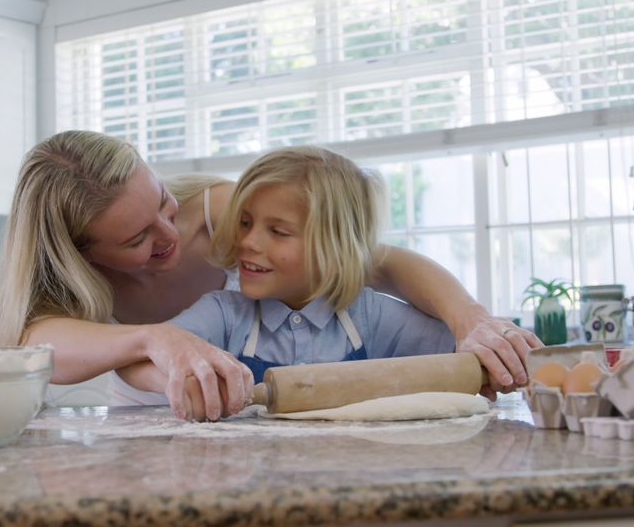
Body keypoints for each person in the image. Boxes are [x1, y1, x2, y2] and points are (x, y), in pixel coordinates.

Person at [0, 130, 541, 421]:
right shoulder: (69, 296)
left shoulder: (229, 212)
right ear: (80, 254)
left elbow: (374, 260)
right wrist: (157, 340)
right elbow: (39, 348)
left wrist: (473, 323)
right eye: (137, 239)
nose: (170, 233)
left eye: (162, 201)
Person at [116, 147, 460, 419]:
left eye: (278, 232)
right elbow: (137, 359)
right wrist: (178, 380)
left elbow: (461, 357)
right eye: (245, 223)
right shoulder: (224, 315)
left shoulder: (371, 316)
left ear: (333, 247)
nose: (248, 242)